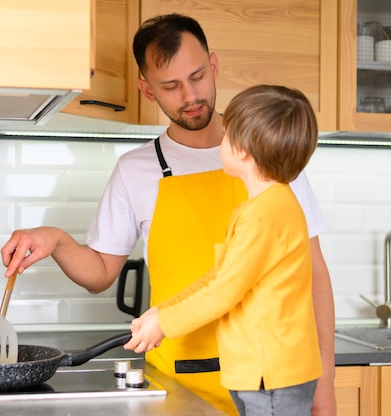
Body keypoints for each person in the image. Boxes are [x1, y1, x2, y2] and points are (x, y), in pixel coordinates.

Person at [1, 13, 336, 415]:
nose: (190, 95)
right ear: (147, 89)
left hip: (273, 377)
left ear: (213, 65)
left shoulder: (271, 151)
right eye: (171, 86)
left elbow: (312, 271)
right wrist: (56, 240)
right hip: (178, 385)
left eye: (197, 76)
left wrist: (325, 381)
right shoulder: (135, 170)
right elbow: (102, 271)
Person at [123, 84, 322, 415]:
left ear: (243, 151)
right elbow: (217, 277)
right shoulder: (258, 208)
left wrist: (164, 325)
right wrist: (160, 312)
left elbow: (222, 293)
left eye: (227, 136)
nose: (221, 142)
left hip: (271, 374)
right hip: (257, 370)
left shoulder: (265, 215)